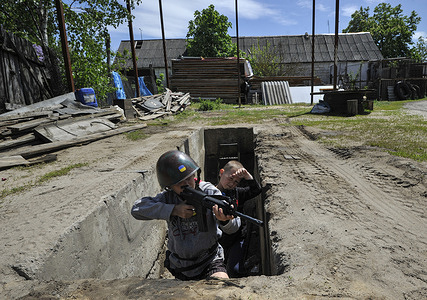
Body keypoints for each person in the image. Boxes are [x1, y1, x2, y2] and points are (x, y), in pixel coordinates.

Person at [131, 150, 240, 280]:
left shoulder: (208, 191)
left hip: (210, 261)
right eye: (180, 183)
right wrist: (174, 210)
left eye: (189, 178)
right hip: (180, 265)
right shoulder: (168, 198)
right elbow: (137, 209)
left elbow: (234, 226)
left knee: (221, 285)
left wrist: (224, 221)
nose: (187, 184)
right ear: (170, 186)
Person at [216, 160, 262, 277]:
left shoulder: (237, 193)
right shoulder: (210, 192)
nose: (232, 183)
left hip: (237, 238)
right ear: (221, 173)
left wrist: (248, 176)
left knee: (234, 271)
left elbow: (256, 190)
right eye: (230, 178)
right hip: (217, 239)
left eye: (236, 182)